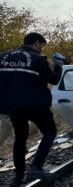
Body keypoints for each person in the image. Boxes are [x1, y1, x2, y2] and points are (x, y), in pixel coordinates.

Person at [0, 32, 63, 186]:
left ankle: (18, 176)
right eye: (42, 45)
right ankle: (36, 165)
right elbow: (53, 80)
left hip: (13, 106)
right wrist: (58, 66)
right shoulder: (37, 59)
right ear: (36, 43)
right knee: (50, 132)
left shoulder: (3, 57)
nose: (42, 49)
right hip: (35, 105)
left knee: (20, 138)